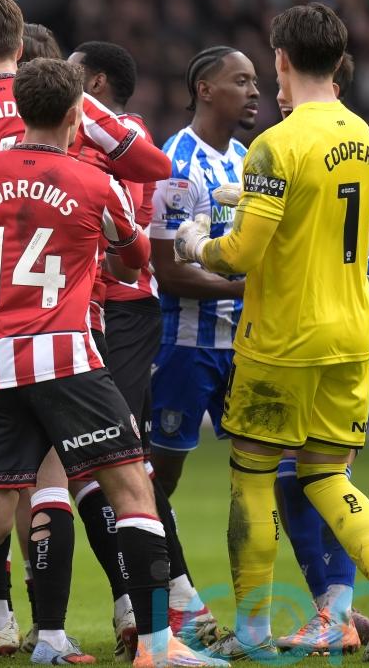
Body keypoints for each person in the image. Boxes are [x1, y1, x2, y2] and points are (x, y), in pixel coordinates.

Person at [0, 57, 224, 668]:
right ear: (78, 115)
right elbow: (134, 262)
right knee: (134, 491)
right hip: (65, 357)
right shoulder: (95, 183)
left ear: (20, 111)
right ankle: (156, 646)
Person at [173, 3, 369, 663]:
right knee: (328, 474)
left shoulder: (274, 144)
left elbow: (241, 256)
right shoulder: (362, 135)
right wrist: (249, 201)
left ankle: (253, 632)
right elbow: (315, 219)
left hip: (282, 337)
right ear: (336, 62)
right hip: (350, 334)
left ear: (280, 59)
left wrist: (195, 240)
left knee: (253, 477)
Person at [68, 40, 221, 656]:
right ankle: (150, 604)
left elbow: (128, 245)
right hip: (82, 314)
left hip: (123, 312)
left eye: (70, 72)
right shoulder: (78, 137)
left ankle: (169, 605)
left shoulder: (125, 136)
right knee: (96, 465)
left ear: (95, 83)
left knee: (115, 458)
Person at [271, 53, 369, 655]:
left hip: (358, 334)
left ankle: (358, 607)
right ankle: (336, 614)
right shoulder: (288, 152)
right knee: (290, 478)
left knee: (325, 470)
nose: (278, 91)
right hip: (303, 332)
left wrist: (334, 274)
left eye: (282, 76)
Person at [147, 46, 258, 497]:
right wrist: (248, 287)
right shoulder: (177, 166)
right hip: (185, 347)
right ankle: (155, 546)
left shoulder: (248, 159)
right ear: (205, 90)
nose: (254, 92)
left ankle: (252, 550)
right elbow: (169, 272)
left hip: (245, 345)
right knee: (162, 475)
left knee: (261, 469)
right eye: (241, 81)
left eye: (254, 82)